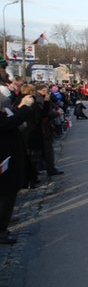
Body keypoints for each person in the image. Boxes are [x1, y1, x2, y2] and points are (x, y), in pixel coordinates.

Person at [0, 94, 34, 244]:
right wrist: (25, 107)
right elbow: (9, 123)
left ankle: (3, 226)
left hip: (8, 159)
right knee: (6, 195)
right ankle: (1, 229)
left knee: (8, 194)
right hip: (4, 161)